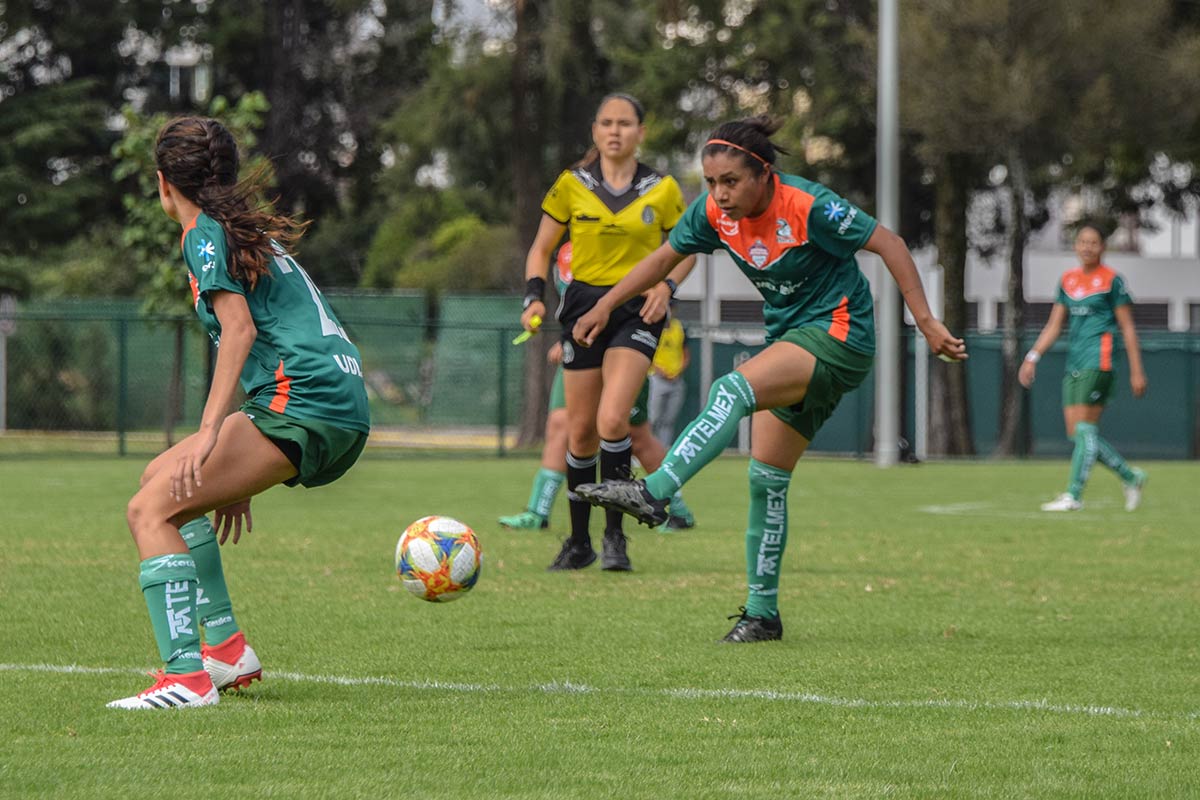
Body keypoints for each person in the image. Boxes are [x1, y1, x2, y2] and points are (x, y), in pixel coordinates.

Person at [572, 115, 965, 642]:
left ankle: (656, 491)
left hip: (840, 333)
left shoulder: (808, 205)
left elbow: (889, 243)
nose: (720, 194)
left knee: (731, 389)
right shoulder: (713, 212)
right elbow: (665, 256)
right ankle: (762, 614)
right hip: (793, 343)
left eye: (730, 181)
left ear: (763, 173)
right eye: (711, 183)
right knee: (766, 479)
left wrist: (926, 321)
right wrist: (605, 304)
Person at [107, 117, 371, 709]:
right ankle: (225, 648)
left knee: (147, 512)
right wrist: (241, 451)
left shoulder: (204, 235)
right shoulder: (238, 230)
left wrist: (211, 432)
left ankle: (186, 678)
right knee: (163, 483)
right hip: (332, 400)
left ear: (163, 183)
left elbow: (240, 329)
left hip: (302, 401)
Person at [518, 92, 696, 572]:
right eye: (606, 123)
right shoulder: (570, 185)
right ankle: (579, 542)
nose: (615, 131)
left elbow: (689, 247)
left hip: (638, 311)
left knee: (613, 421)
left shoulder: (662, 188)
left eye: (625, 123)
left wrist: (669, 285)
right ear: (595, 132)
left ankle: (615, 538)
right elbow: (540, 249)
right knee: (580, 433)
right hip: (581, 309)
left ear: (641, 131)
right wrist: (535, 297)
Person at [500, 244, 695, 533]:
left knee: (637, 437)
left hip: (623, 350)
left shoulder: (627, 242)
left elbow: (681, 253)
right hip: (580, 348)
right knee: (561, 425)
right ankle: (538, 512)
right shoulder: (567, 250)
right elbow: (577, 302)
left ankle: (676, 508)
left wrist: (664, 288)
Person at [1018, 225, 1148, 512]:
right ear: (1075, 246)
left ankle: (1073, 495)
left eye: (1093, 242)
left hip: (1099, 360)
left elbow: (1127, 327)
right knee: (1078, 435)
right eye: (1082, 242)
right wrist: (1032, 356)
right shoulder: (1068, 280)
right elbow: (1054, 325)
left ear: (1102, 247)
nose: (1087, 247)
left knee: (1085, 429)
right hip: (1074, 362)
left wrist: (1137, 370)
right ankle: (1131, 476)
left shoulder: (1112, 281)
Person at [648, 307, 689, 446]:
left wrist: (679, 370)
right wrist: (659, 369)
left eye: (672, 307)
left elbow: (685, 352)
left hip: (676, 380)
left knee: (668, 420)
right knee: (652, 418)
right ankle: (642, 451)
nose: (670, 310)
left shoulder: (678, 327)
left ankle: (662, 452)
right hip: (656, 378)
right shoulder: (651, 325)